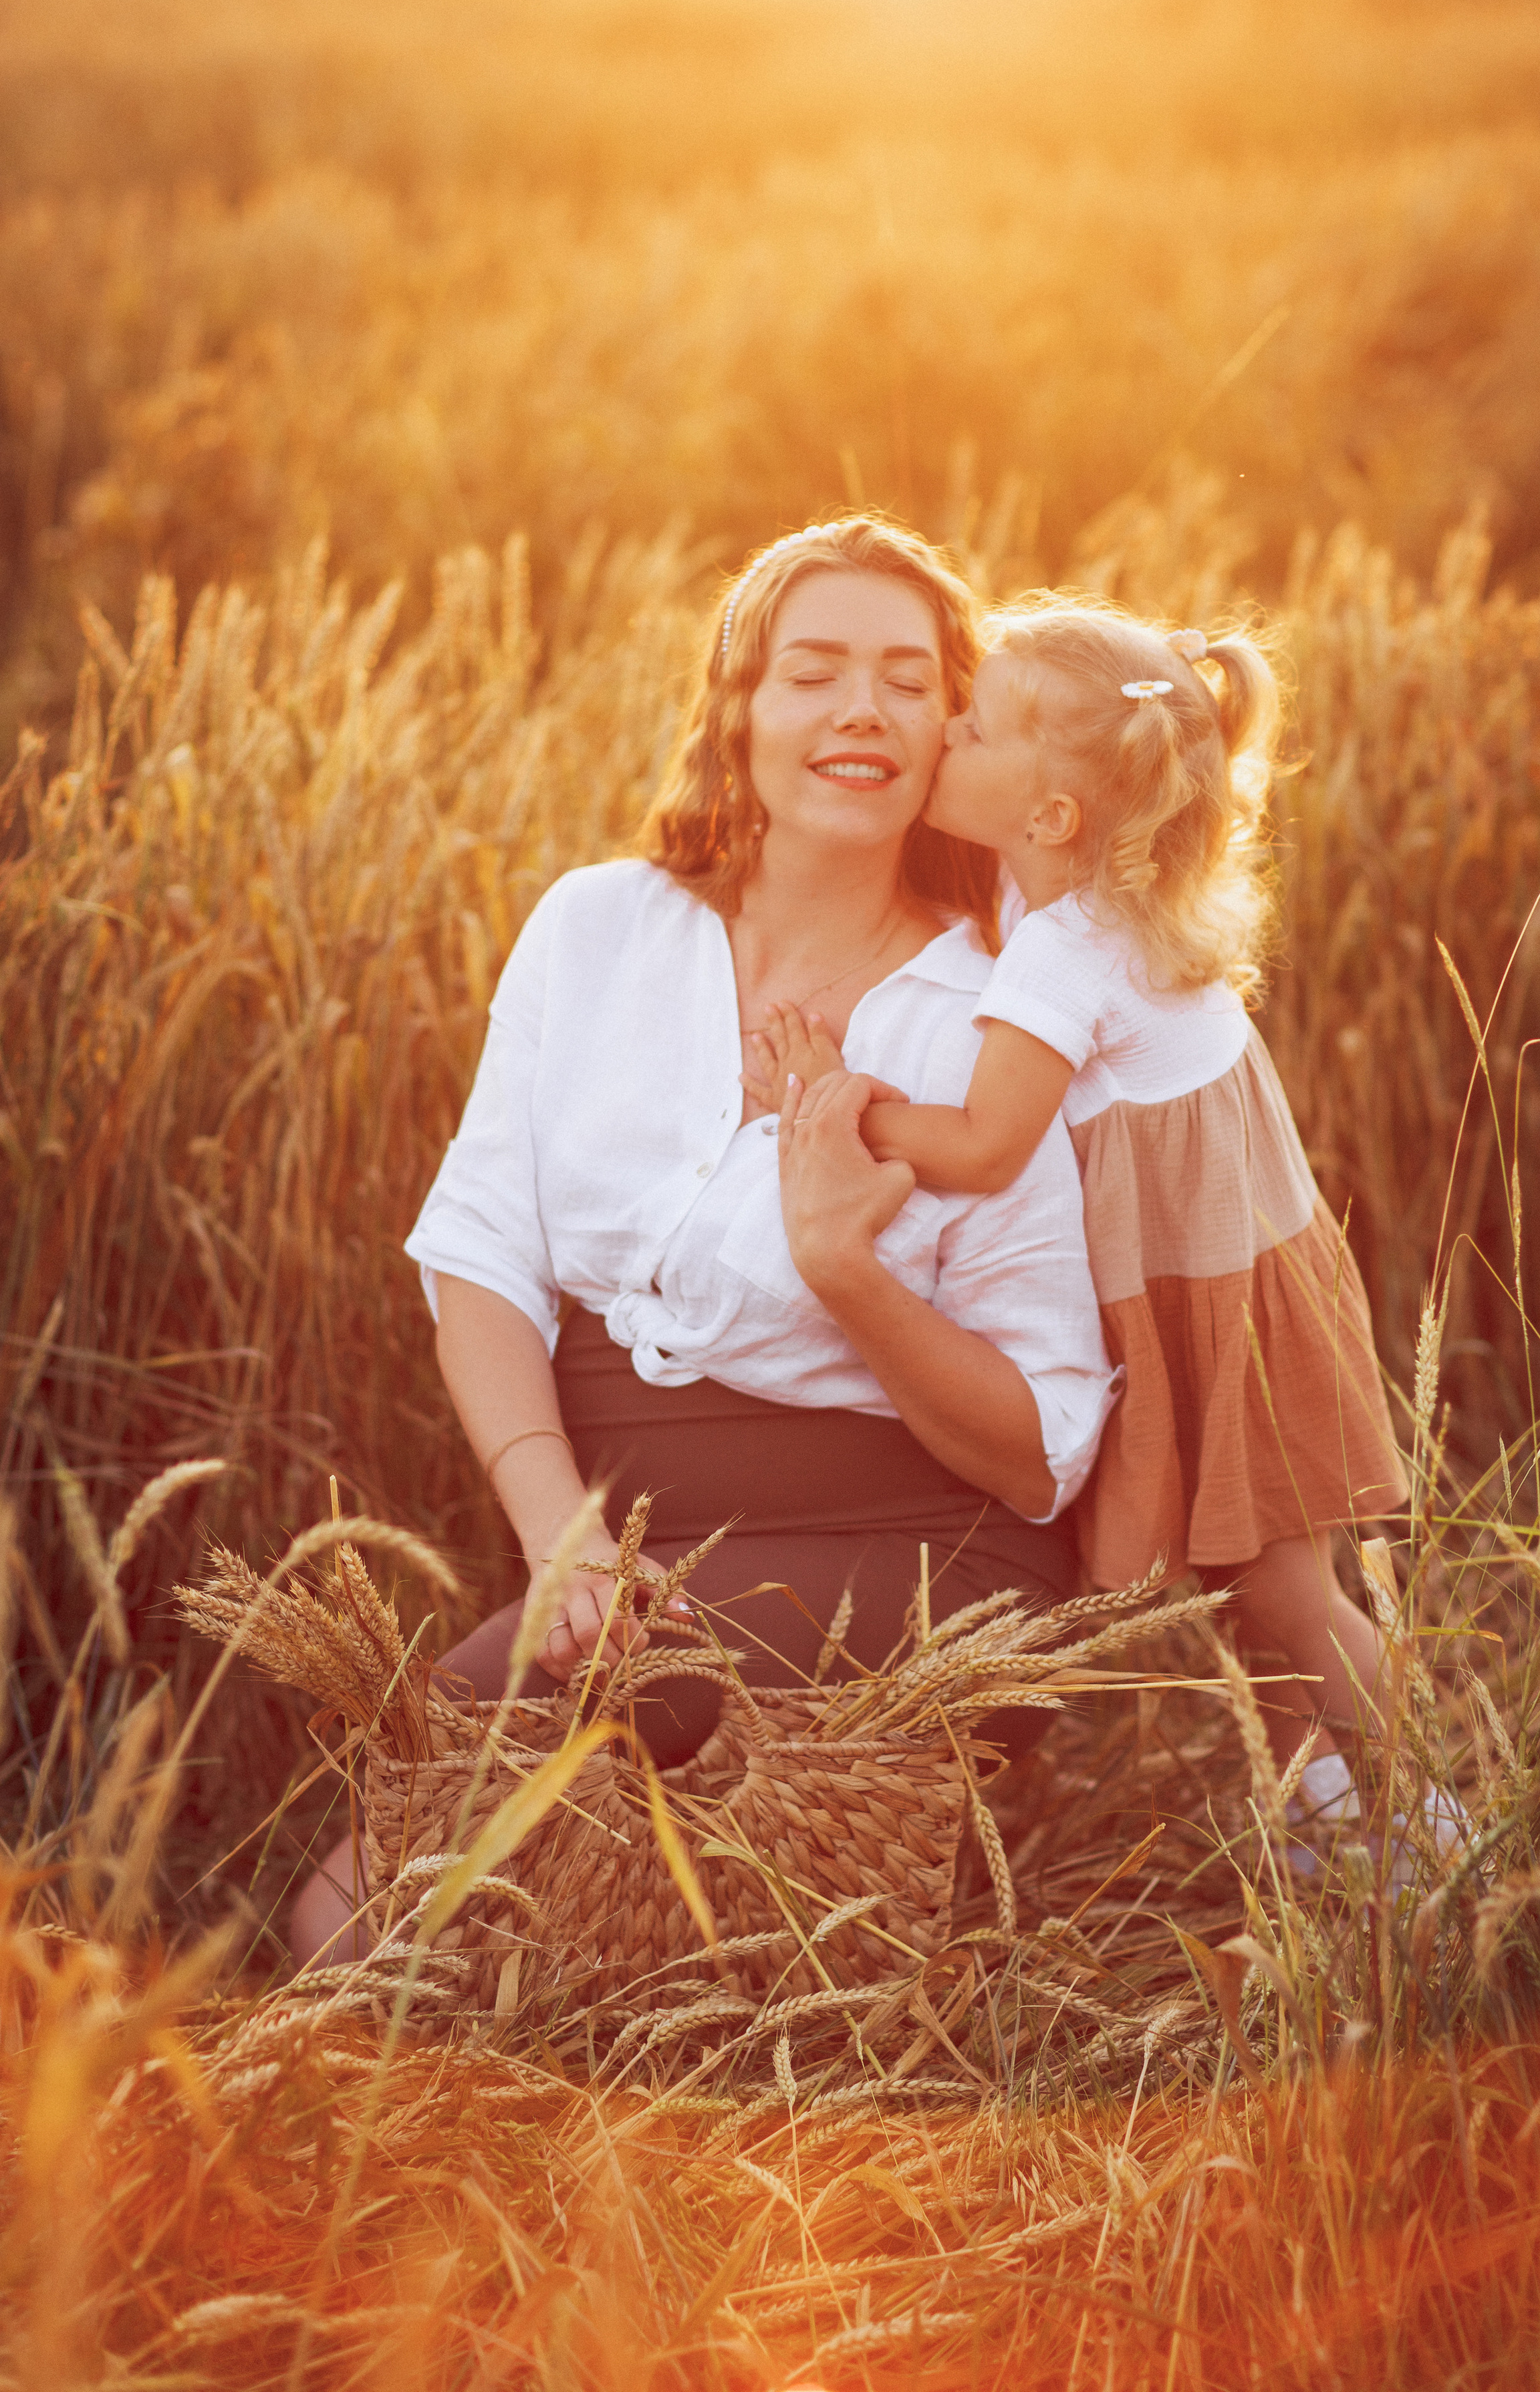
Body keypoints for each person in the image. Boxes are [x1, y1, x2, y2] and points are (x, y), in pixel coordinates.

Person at [287, 521, 1115, 1969]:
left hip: (918, 1556)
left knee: (381, 1908)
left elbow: (1045, 1452)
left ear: (954, 730)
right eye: (813, 671)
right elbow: (479, 1257)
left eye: (906, 681)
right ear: (738, 707)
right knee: (344, 1894)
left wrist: (848, 1273)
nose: (860, 710)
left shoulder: (994, 1016)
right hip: (625, 1550)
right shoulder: (598, 930)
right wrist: (560, 1539)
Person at [743, 596, 1410, 1856]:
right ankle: (1334, 1835)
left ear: (1051, 816)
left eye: (975, 728)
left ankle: (1446, 1822)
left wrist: (834, 1102)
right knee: (1262, 1588)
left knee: (1287, 1594)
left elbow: (985, 1146)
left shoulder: (1062, 950)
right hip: (1247, 1276)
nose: (947, 729)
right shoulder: (1114, 890)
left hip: (1206, 1298)